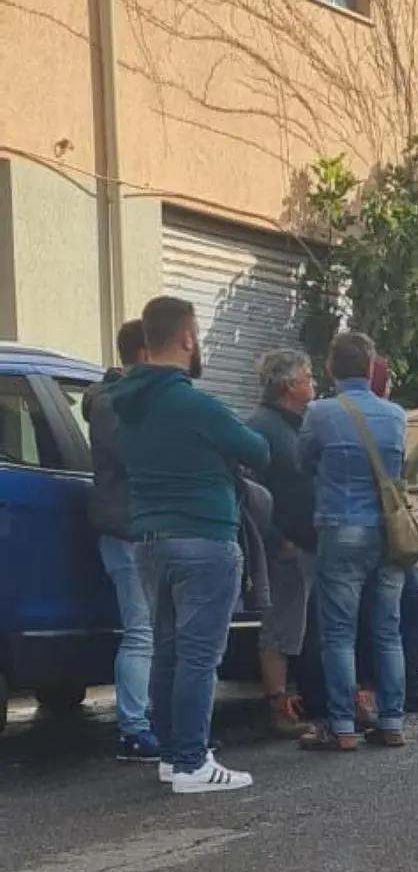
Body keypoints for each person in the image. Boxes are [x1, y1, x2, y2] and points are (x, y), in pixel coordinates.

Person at [112, 295, 270, 792]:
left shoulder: (123, 406)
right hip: (204, 537)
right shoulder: (195, 404)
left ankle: (171, 755)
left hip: (149, 540)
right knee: (200, 657)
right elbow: (258, 449)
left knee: (168, 651)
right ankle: (192, 763)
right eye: (196, 335)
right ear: (185, 338)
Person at [299, 331, 409, 752]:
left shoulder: (320, 412)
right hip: (388, 532)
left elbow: (300, 459)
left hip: (341, 527)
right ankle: (393, 720)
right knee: (387, 631)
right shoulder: (396, 415)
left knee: (339, 634)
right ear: (369, 369)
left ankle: (342, 725)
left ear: (330, 368)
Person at [354, 355, 418, 715]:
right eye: (387, 377)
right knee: (399, 610)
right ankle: (396, 691)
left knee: (396, 608)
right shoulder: (389, 418)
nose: (392, 384)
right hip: (384, 529)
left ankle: (390, 688)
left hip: (364, 526)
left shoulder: (336, 416)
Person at [84, 318, 159, 764]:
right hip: (127, 529)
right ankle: (134, 728)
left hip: (135, 527)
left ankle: (146, 720)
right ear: (147, 354)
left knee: (146, 629)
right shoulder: (115, 404)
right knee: (141, 631)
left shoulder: (113, 400)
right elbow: (137, 460)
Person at [245, 348, 317, 737]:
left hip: (305, 543)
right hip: (284, 548)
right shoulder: (263, 429)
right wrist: (276, 541)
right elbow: (249, 492)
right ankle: (277, 705)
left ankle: (301, 698)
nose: (313, 382)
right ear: (290, 385)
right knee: (281, 626)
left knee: (297, 624)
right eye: (308, 376)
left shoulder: (295, 425)